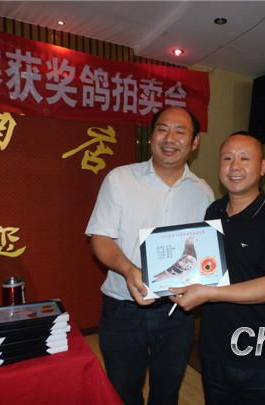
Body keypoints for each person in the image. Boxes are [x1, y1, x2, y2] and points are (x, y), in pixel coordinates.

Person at [85, 106, 214, 405]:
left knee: (167, 392)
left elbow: (203, 253)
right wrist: (129, 269)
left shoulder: (204, 192)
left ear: (194, 142)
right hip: (123, 309)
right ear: (151, 135)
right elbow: (100, 238)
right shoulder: (120, 179)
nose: (169, 138)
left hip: (176, 312)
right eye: (162, 129)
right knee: (123, 391)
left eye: (180, 131)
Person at [170, 132, 265, 404]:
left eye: (245, 158)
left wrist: (208, 294)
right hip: (214, 350)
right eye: (227, 158)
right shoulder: (214, 211)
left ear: (263, 167)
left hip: (261, 356)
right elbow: (206, 268)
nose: (234, 166)